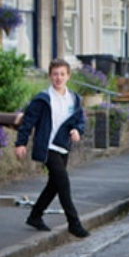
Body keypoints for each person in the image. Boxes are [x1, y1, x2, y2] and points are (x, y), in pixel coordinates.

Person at [14, 58, 89, 237]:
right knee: (63, 184)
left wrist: (77, 130)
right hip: (47, 147)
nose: (58, 78)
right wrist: (21, 143)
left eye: (62, 74)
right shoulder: (42, 99)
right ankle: (74, 223)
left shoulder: (74, 99)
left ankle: (35, 216)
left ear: (68, 76)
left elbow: (79, 121)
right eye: (55, 74)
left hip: (64, 146)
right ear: (50, 76)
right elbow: (28, 122)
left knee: (54, 185)